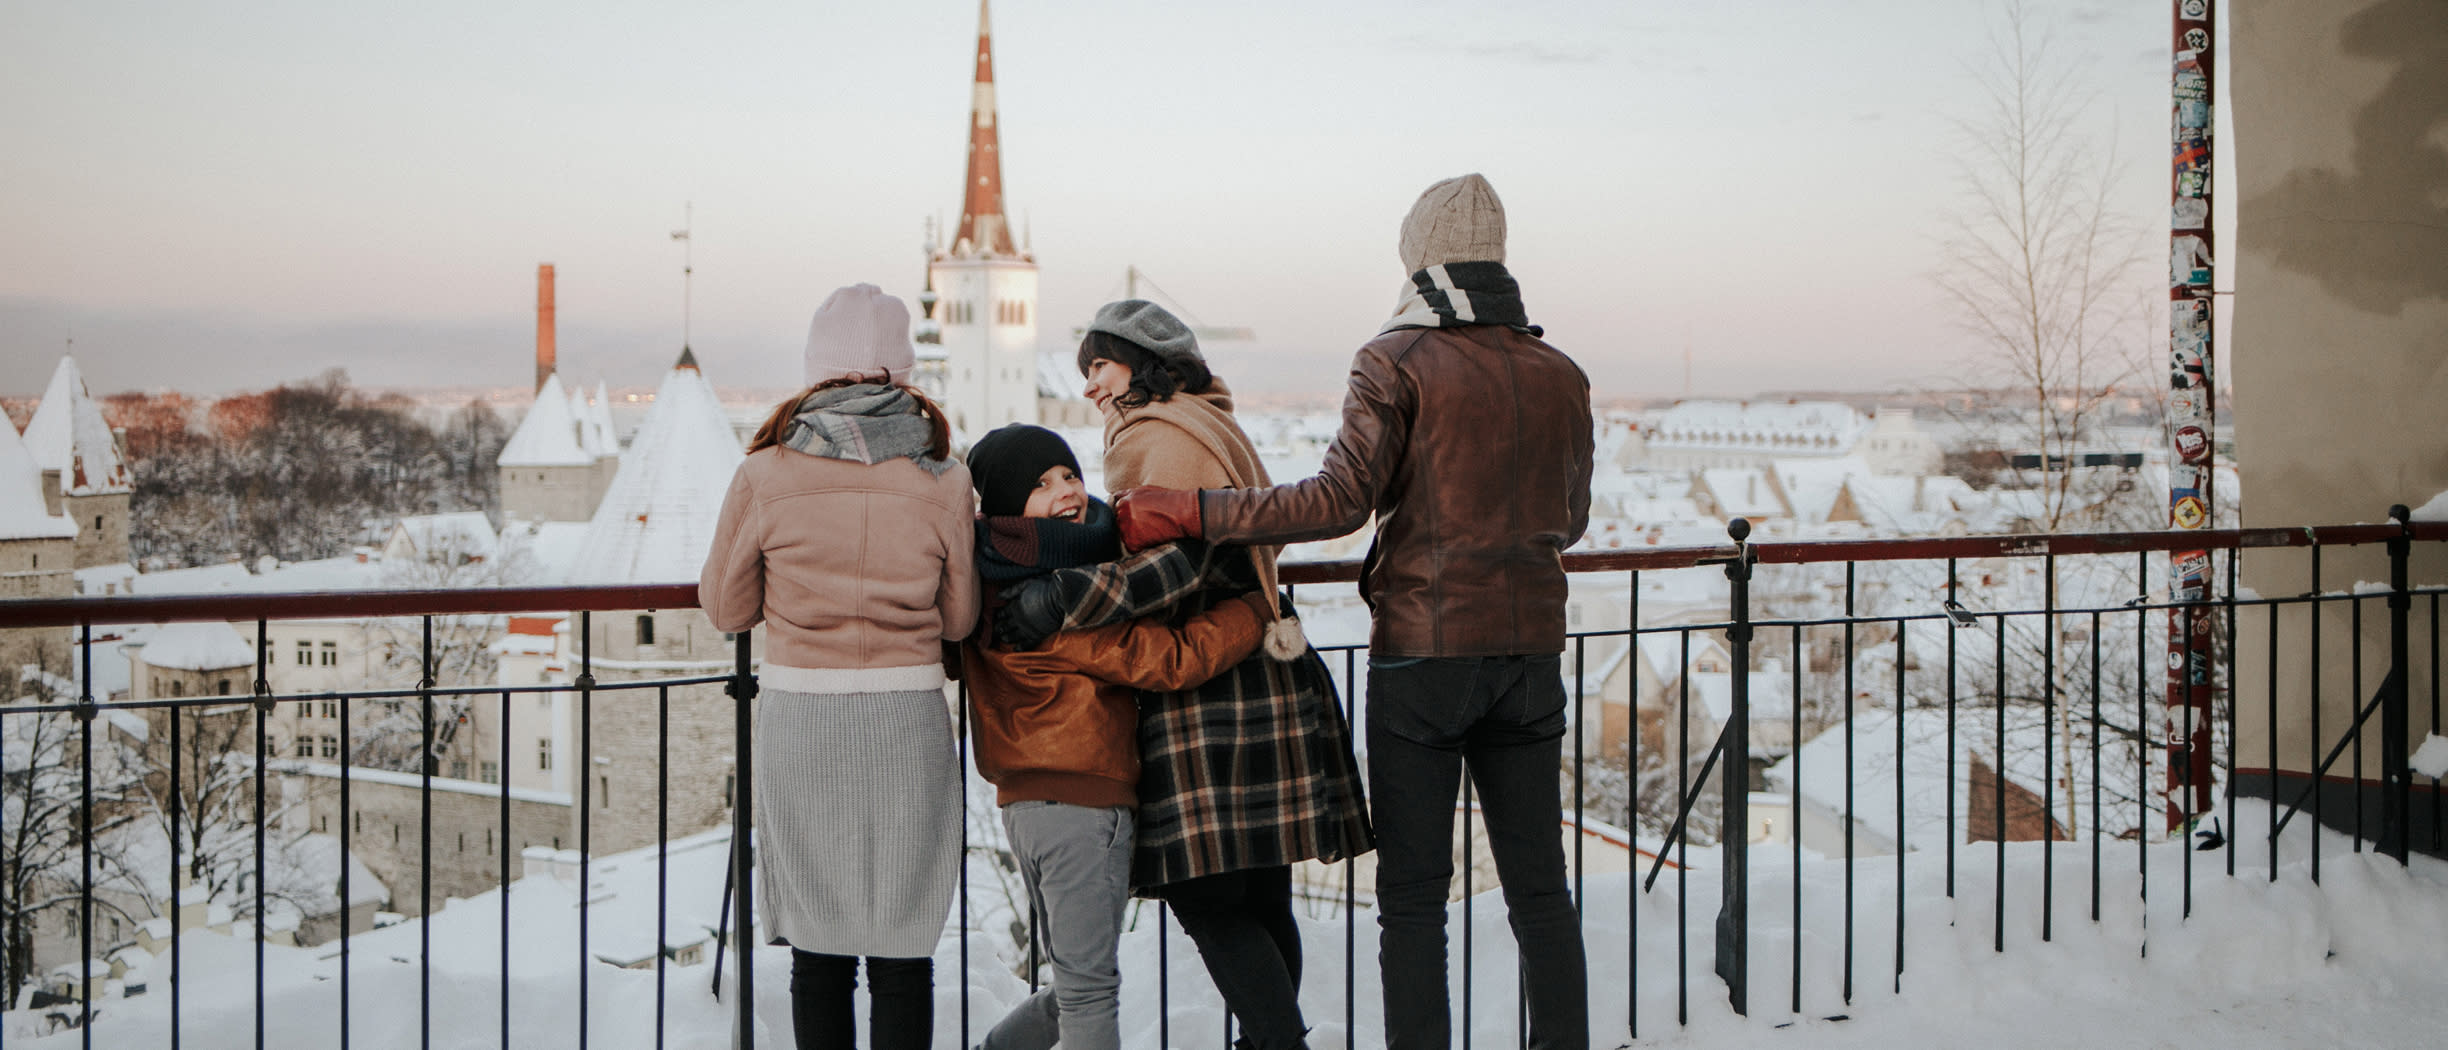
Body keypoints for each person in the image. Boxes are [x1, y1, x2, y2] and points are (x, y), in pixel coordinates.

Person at [1113, 174, 1596, 1050]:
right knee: (1540, 889)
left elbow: (1339, 501)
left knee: (1413, 898)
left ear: (1419, 257)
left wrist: (1192, 511)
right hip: (1531, 652)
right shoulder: (1560, 371)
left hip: (1425, 653)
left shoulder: (1397, 358)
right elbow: (1572, 519)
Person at [998, 299, 1374, 1050]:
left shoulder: (1151, 432)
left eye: (1100, 367)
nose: (1091, 386)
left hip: (1210, 684)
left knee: (1203, 894)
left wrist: (1065, 597)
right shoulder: (1208, 418)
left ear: (1139, 363)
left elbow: (1173, 569)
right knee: (1262, 894)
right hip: (1267, 668)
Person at [699, 284, 977, 1050]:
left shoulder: (764, 473)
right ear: (901, 370)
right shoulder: (946, 477)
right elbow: (960, 620)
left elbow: (725, 607)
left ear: (815, 370)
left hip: (803, 719)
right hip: (907, 718)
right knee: (902, 947)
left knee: (817, 950)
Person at [961, 423, 1277, 1050]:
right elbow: (1173, 658)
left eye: (1069, 475)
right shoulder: (1055, 600)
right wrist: (1257, 609)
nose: (1066, 491)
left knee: (1073, 985)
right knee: (1088, 992)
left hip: (1028, 809)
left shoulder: (987, 580)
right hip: (1082, 807)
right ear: (1005, 509)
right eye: (1040, 485)